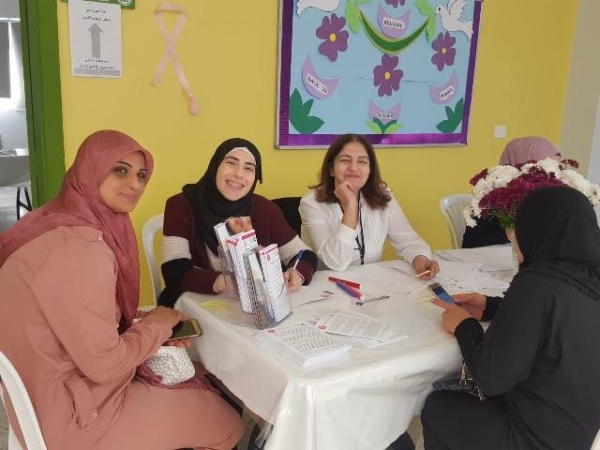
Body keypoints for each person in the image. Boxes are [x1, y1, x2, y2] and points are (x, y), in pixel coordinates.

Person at [0, 130, 244, 450]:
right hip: (78, 418)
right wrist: (157, 327)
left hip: (44, 395)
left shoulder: (51, 221)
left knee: (195, 377)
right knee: (228, 418)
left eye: (141, 175)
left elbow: (73, 311)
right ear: (90, 169)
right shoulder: (82, 250)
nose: (135, 184)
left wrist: (148, 322)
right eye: (120, 170)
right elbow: (105, 365)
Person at [422, 186, 600, 450]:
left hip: (536, 439)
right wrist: (491, 307)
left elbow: (491, 379)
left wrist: (463, 325)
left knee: (439, 406)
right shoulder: (586, 277)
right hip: (584, 433)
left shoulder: (537, 282)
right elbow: (563, 313)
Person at [159, 137, 317, 307]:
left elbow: (303, 254)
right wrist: (224, 282)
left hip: (250, 309)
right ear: (215, 166)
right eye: (231, 163)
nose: (239, 174)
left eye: (248, 168)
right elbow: (174, 271)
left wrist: (297, 273)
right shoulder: (181, 205)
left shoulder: (264, 209)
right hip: (192, 306)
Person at [299, 133, 438, 276]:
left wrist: (420, 260)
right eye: (345, 160)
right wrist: (351, 207)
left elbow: (409, 242)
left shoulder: (383, 195)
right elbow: (336, 263)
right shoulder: (311, 203)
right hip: (326, 285)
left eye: (362, 161)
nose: (354, 168)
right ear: (331, 169)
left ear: (370, 169)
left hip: (371, 283)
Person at [462, 136, 561, 248]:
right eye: (548, 167)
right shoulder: (493, 194)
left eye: (557, 167)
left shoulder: (551, 195)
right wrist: (508, 234)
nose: (554, 174)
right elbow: (469, 243)